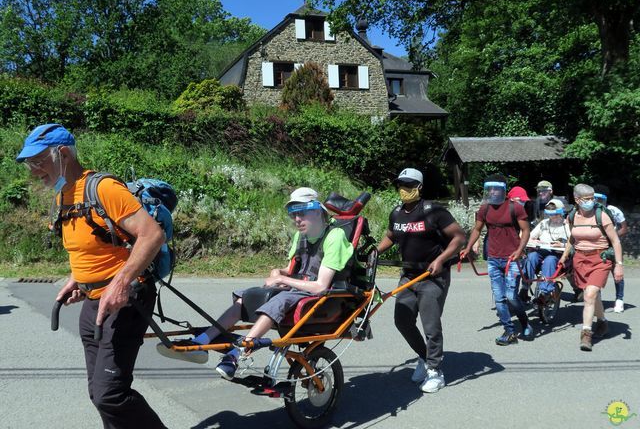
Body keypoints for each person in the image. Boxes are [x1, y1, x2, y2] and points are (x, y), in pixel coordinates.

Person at [17, 124, 166, 428]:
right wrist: (78, 278)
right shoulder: (62, 195)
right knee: (98, 392)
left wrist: (120, 283)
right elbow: (89, 246)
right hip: (93, 302)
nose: (33, 171)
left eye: (38, 161)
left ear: (63, 154)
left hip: (125, 300)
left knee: (109, 395)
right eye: (30, 164)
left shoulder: (103, 189)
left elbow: (152, 235)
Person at [157, 187, 353, 380]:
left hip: (321, 296)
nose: (297, 220)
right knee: (246, 295)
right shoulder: (300, 236)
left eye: (301, 213)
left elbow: (321, 286)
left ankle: (236, 355)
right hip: (300, 286)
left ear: (317, 211)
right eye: (293, 214)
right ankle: (201, 342)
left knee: (278, 300)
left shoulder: (334, 236)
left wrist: (283, 279)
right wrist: (279, 272)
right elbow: (292, 268)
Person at [376, 168, 465, 393]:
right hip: (408, 275)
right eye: (401, 185)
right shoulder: (396, 212)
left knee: (431, 326)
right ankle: (425, 358)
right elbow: (391, 235)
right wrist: (375, 252)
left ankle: (436, 371)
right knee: (402, 321)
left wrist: (441, 258)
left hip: (432, 276)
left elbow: (459, 237)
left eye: (409, 185)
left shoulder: (434, 211)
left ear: (419, 187)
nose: (404, 189)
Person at [460, 174, 533, 346]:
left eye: (495, 188)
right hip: (493, 259)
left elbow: (526, 230)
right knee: (500, 298)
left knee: (511, 296)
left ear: (503, 189)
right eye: (489, 189)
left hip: (513, 258)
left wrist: (519, 250)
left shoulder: (515, 207)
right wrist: (468, 247)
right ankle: (509, 331)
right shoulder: (485, 209)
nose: (492, 191)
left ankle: (524, 323)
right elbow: (477, 230)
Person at [559, 184, 623, 351]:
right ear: (577, 199)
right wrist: (565, 256)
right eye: (587, 199)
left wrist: (619, 266)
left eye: (593, 198)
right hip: (580, 259)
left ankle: (586, 334)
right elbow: (572, 239)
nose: (591, 201)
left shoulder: (601, 215)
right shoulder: (572, 216)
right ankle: (602, 321)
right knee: (592, 295)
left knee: (590, 294)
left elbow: (615, 241)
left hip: (600, 259)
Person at [524, 199, 570, 303]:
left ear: (561, 213)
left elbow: (573, 242)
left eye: (555, 214)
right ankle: (525, 285)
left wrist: (562, 244)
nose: (552, 217)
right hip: (542, 251)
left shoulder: (566, 225)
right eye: (550, 214)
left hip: (557, 254)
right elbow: (530, 237)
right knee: (531, 257)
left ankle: (545, 291)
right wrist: (534, 241)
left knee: (550, 260)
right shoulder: (544, 223)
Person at [594, 184, 629, 313]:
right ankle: (597, 298)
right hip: (596, 245)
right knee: (596, 272)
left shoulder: (613, 210)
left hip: (612, 245)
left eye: (600, 198)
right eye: (595, 198)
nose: (597, 201)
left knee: (616, 272)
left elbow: (624, 228)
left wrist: (612, 237)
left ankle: (619, 299)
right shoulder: (589, 210)